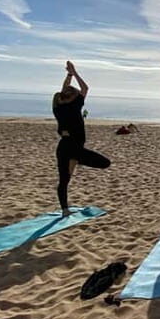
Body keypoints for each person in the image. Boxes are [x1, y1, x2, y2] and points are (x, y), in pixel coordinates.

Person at [53, 61, 110, 217]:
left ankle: (65, 209)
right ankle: (78, 160)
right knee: (105, 163)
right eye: (76, 95)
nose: (79, 95)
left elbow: (65, 90)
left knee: (64, 180)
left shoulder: (57, 105)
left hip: (64, 146)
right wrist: (75, 72)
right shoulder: (74, 105)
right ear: (72, 98)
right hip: (74, 148)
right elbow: (85, 88)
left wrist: (69, 74)